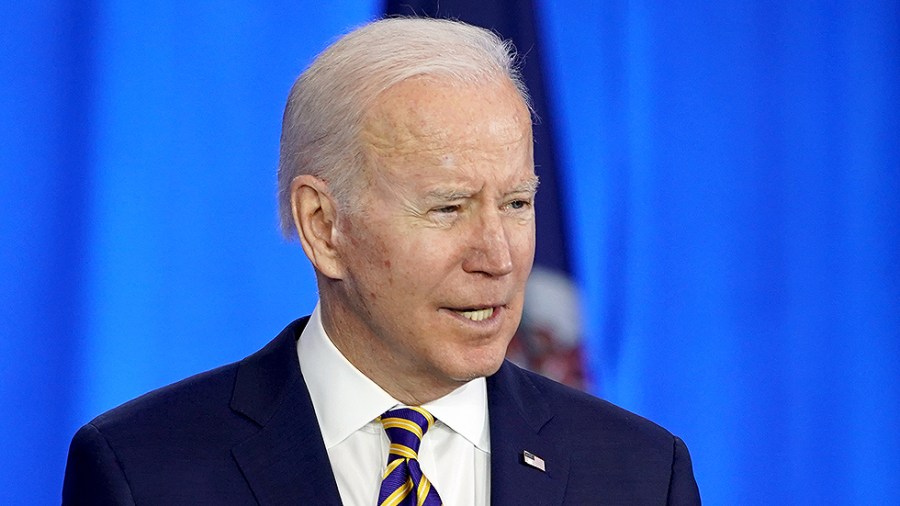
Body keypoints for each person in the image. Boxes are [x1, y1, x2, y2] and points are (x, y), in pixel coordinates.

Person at [63, 18, 700, 505]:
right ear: (323, 225)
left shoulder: (640, 474)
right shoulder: (143, 472)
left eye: (516, 202)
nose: (499, 256)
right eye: (449, 208)